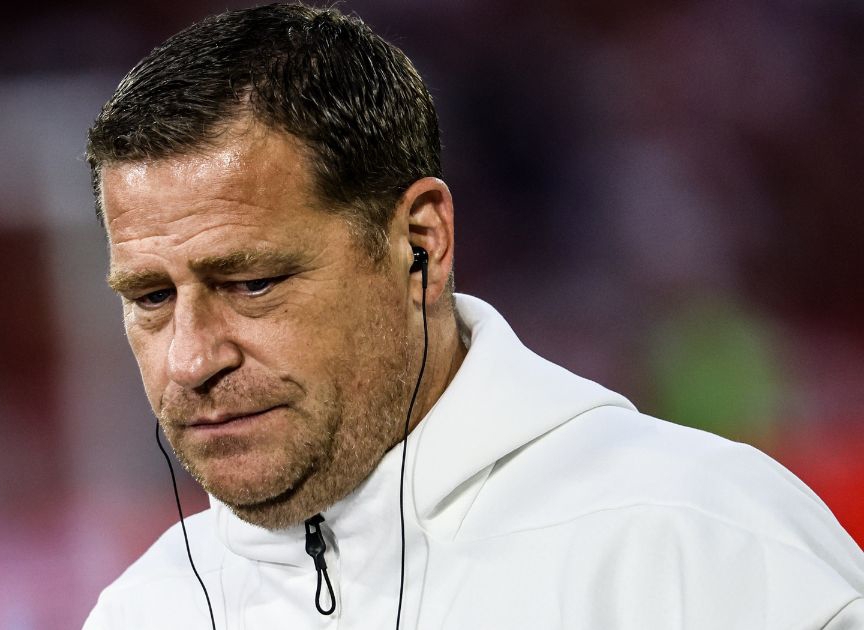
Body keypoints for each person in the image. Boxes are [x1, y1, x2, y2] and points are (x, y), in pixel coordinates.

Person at [82, 4, 864, 628]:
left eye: (253, 283)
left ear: (420, 244)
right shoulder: (144, 612)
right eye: (151, 297)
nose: (191, 359)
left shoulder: (699, 545)